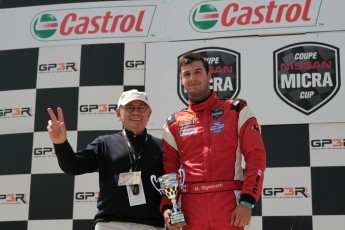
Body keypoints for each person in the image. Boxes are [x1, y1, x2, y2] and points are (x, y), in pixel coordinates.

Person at [160, 52, 266, 230]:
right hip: (190, 210)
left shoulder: (237, 110)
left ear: (209, 75)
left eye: (198, 72)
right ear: (181, 80)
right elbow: (169, 171)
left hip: (230, 206)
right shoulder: (173, 123)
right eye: (186, 74)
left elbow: (256, 158)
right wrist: (169, 207)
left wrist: (247, 202)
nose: (192, 78)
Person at [47, 89, 165, 230]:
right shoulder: (104, 144)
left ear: (149, 113)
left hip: (150, 226)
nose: (136, 112)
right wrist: (61, 144)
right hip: (110, 225)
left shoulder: (162, 147)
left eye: (141, 107)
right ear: (118, 113)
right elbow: (73, 166)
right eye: (129, 107)